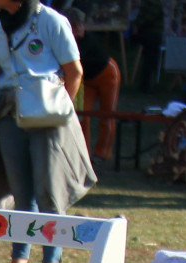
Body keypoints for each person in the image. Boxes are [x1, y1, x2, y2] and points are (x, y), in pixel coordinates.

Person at [0, 0, 96, 263]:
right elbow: (1, 70)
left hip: (48, 119)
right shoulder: (1, 27)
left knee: (49, 193)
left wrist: (58, 112)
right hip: (10, 115)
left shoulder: (52, 22)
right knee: (21, 193)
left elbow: (74, 71)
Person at [67, 6, 120, 160]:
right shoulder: (67, 41)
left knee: (107, 114)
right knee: (82, 114)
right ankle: (83, 151)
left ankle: (103, 152)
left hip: (107, 74)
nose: (79, 29)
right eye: (75, 26)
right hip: (88, 80)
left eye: (80, 25)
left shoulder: (87, 41)